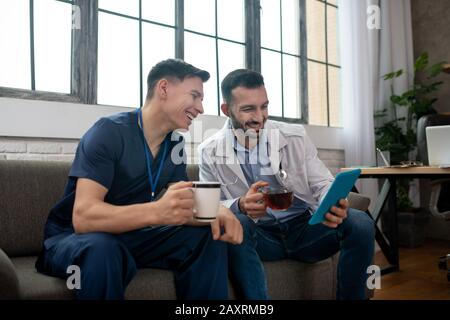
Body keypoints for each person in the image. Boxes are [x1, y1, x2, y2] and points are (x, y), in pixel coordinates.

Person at [35, 59, 266, 300]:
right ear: (164, 88)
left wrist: (220, 212)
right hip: (77, 240)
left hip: (137, 236)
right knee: (102, 250)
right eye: (195, 96)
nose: (200, 108)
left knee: (209, 236)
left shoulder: (174, 144)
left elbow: (181, 204)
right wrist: (157, 212)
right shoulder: (108, 132)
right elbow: (83, 218)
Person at [198, 69, 375, 300]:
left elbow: (322, 183)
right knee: (237, 223)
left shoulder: (294, 136)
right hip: (262, 237)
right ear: (226, 110)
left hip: (306, 230)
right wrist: (239, 204)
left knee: (361, 222)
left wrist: (332, 203)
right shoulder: (208, 150)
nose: (259, 117)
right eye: (248, 109)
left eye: (264, 106)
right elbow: (207, 207)